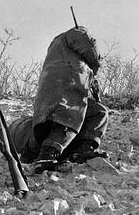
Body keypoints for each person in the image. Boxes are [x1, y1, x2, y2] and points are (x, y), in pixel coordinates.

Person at [12, 25, 109, 173]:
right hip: (63, 94)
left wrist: (91, 77)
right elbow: (85, 42)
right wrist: (96, 64)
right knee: (67, 117)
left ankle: (83, 149)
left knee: (98, 112)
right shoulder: (73, 35)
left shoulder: (63, 53)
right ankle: (48, 154)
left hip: (59, 98)